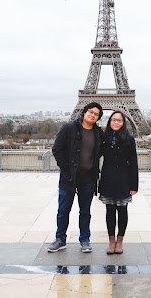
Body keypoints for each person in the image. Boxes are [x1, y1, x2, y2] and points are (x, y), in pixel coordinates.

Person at [48, 102, 104, 253]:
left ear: (98, 118)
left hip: (88, 179)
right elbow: (57, 149)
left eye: (96, 114)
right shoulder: (69, 128)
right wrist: (66, 171)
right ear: (85, 112)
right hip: (69, 178)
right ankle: (60, 239)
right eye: (90, 112)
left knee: (85, 211)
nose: (92, 115)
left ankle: (85, 240)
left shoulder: (98, 133)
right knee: (63, 210)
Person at [98, 111, 138, 254]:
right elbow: (95, 155)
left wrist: (134, 185)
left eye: (119, 120)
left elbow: (133, 163)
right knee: (109, 211)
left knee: (122, 211)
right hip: (108, 178)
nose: (116, 122)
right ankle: (111, 241)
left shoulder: (129, 139)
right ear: (109, 121)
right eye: (114, 120)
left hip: (123, 179)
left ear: (123, 123)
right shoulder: (104, 138)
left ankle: (119, 241)